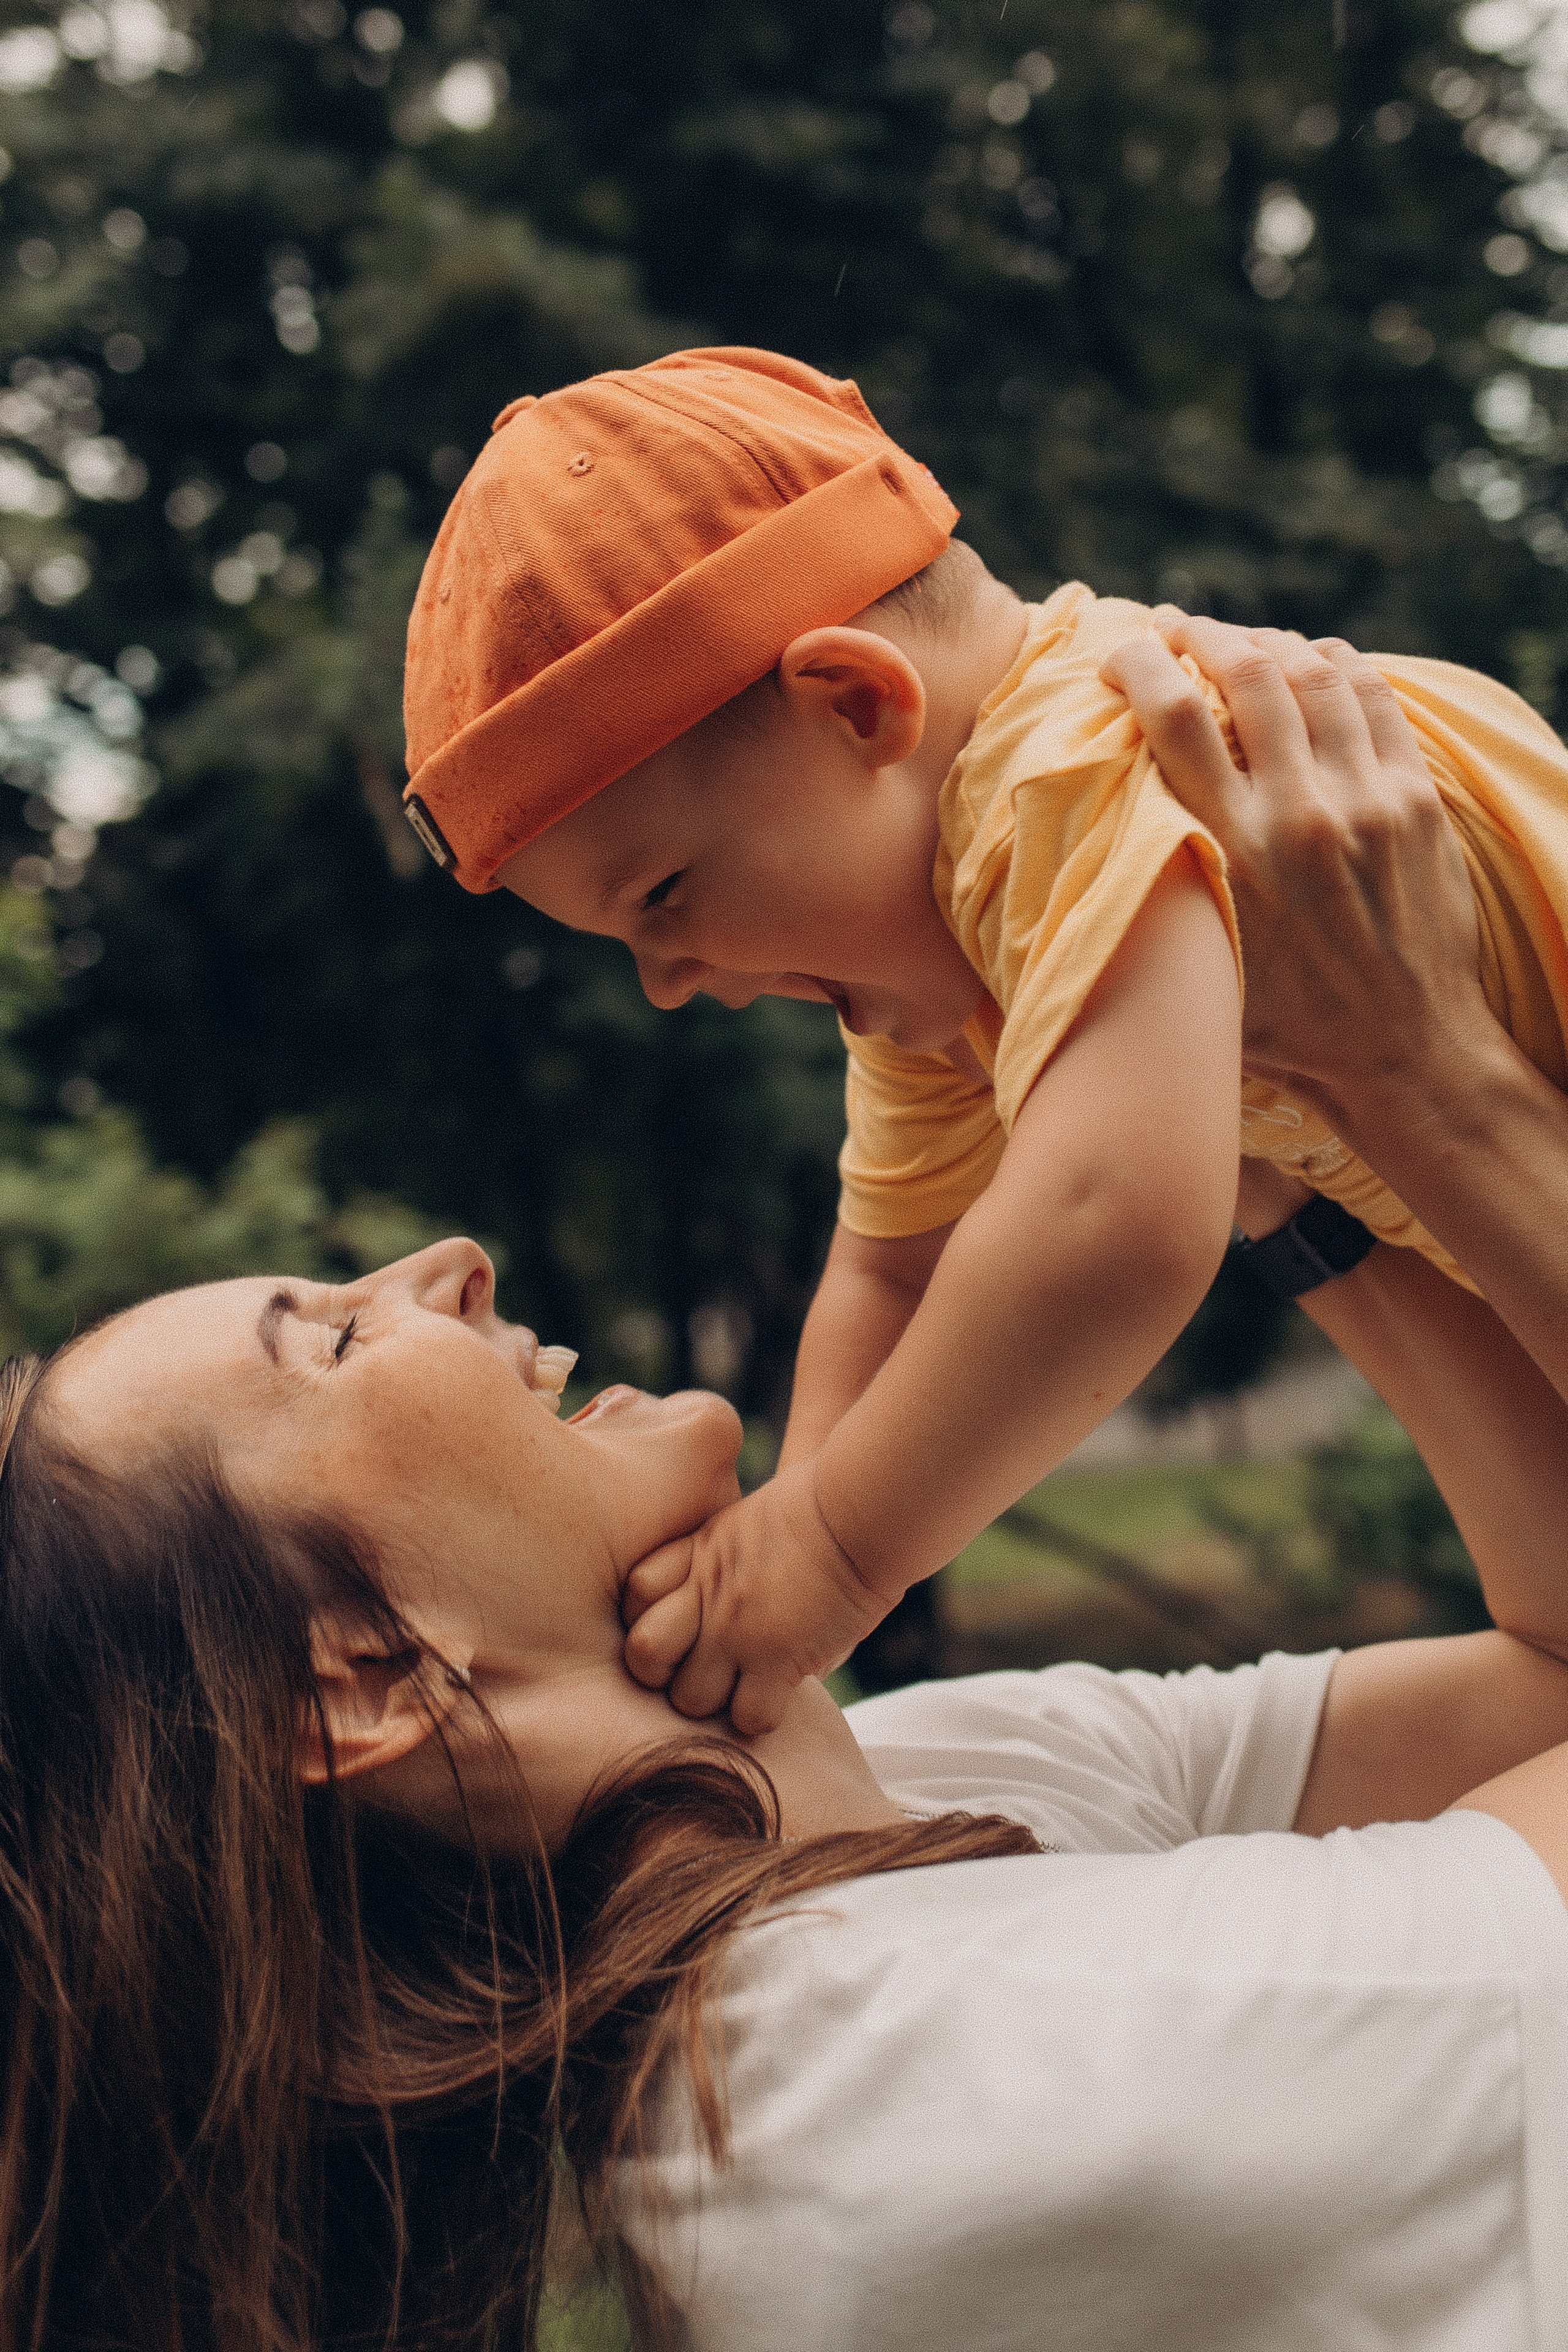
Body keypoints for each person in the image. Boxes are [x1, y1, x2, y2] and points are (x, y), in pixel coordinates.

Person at [6, 1200, 1568, 2352]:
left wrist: (1305, 1184)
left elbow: (1546, 1674)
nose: (453, 1261)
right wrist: (1443, 1104)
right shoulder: (956, 2069)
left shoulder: (895, 1783)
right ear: (364, 1670)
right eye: (335, 1341)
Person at [398, 345, 1568, 1739]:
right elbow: (890, 1269)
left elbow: (1112, 1216)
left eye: (663, 896)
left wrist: (832, 1555)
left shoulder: (1059, 770)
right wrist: (786, 1523)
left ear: (855, 705)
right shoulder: (948, 955)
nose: (663, 984)